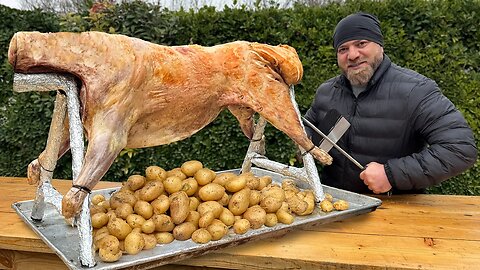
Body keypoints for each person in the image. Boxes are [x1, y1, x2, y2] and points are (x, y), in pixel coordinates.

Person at [304, 12, 477, 194]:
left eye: (361, 44)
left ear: (380, 46)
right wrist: (303, 140)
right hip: (334, 204)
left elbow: (460, 148)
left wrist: (390, 174)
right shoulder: (326, 92)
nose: (352, 55)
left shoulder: (416, 91)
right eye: (343, 49)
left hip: (394, 209)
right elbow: (309, 129)